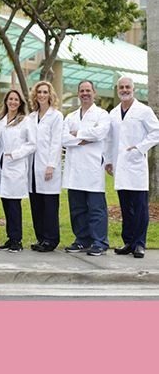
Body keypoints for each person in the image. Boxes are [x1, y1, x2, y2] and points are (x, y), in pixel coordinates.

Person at [105, 77, 159, 259]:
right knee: (126, 207)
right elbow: (110, 139)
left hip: (136, 166)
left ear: (133, 89)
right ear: (117, 89)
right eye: (121, 87)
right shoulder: (113, 113)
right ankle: (128, 242)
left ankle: (139, 244)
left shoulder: (143, 111)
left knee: (140, 208)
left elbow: (156, 132)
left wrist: (139, 148)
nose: (124, 90)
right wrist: (109, 161)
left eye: (128, 87)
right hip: (120, 167)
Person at [62, 80, 111, 256]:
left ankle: (100, 242)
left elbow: (100, 133)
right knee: (77, 209)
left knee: (96, 208)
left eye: (88, 90)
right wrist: (83, 138)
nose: (85, 93)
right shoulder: (70, 116)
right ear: (78, 93)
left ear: (94, 93)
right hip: (74, 170)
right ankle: (82, 240)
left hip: (92, 169)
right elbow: (63, 139)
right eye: (82, 90)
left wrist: (77, 134)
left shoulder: (102, 114)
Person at [0, 89, 36, 252]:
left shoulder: (25, 121)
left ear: (20, 103)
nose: (13, 102)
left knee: (14, 205)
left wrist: (15, 154)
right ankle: (10, 238)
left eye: (16, 100)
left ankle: (17, 241)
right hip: (2, 167)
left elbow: (32, 144)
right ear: (6, 101)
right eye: (10, 99)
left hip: (16, 166)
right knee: (6, 202)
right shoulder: (0, 121)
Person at [28, 81, 63, 253]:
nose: (41, 95)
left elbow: (56, 142)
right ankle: (41, 238)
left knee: (49, 205)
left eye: (45, 92)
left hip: (47, 167)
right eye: (39, 92)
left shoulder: (56, 116)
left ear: (50, 95)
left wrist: (51, 165)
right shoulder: (31, 117)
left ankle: (51, 240)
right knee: (36, 205)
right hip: (32, 168)